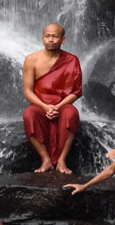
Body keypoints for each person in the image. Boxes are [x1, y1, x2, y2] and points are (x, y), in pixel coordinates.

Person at [21, 22, 83, 174]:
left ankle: (62, 160)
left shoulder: (72, 60)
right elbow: (27, 91)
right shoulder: (31, 59)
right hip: (40, 105)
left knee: (71, 114)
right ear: (42, 39)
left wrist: (58, 106)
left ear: (63, 40)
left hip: (62, 105)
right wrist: (45, 107)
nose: (50, 40)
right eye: (47, 36)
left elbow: (76, 91)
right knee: (29, 115)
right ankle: (46, 159)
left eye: (55, 37)